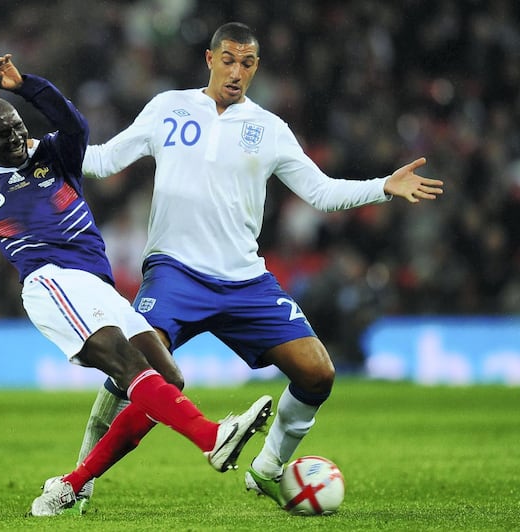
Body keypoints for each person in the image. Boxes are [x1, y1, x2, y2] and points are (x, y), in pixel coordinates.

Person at [71, 21, 445, 512]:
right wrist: (36, 151)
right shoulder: (168, 108)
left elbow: (320, 192)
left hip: (244, 281)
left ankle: (268, 467)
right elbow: (100, 161)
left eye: (246, 63)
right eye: (228, 59)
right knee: (135, 372)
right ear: (209, 59)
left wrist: (383, 186)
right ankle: (77, 482)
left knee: (318, 374)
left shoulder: (269, 129)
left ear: (256, 68)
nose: (236, 71)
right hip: (174, 272)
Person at [0, 53, 272, 517]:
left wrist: (25, 86)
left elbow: (74, 123)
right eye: (3, 134)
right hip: (50, 282)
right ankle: (212, 438)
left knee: (168, 378)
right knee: (127, 367)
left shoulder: (54, 154)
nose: (17, 136)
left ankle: (70, 485)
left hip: (98, 286)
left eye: (19, 125)